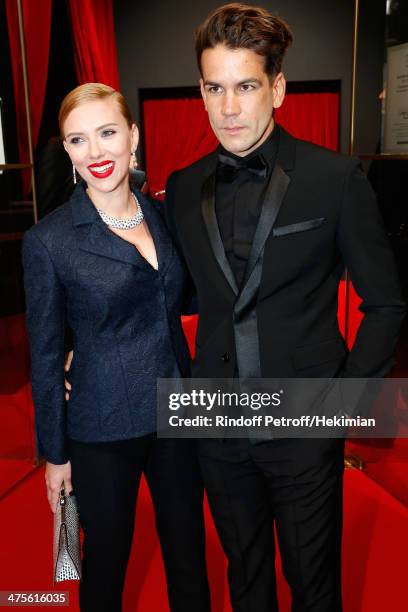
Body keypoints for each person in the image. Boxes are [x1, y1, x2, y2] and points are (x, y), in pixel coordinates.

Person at [164, 4, 405, 611]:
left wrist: (342, 409)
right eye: (214, 89)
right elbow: (181, 296)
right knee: (245, 579)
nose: (228, 108)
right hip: (215, 421)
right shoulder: (186, 184)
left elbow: (386, 305)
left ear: (277, 88)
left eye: (246, 86)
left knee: (313, 584)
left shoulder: (336, 179)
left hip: (304, 420)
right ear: (200, 89)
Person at [22, 83, 210, 612]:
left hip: (179, 413)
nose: (96, 152)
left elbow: (188, 297)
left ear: (133, 136)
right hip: (101, 425)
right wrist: (54, 454)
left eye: (107, 133)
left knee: (189, 555)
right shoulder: (50, 241)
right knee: (106, 563)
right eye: (78, 140)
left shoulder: (165, 217)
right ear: (68, 152)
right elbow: (43, 353)